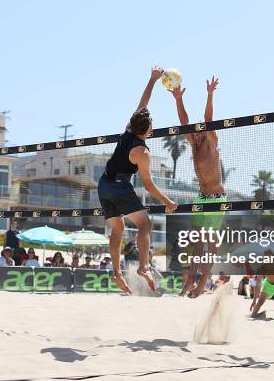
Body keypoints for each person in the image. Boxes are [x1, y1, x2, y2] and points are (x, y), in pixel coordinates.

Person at [97, 65, 177, 293]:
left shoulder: (128, 129)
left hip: (103, 184)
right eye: (152, 123)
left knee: (118, 230)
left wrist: (152, 80)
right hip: (119, 186)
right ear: (149, 129)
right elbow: (149, 185)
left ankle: (116, 273)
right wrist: (168, 202)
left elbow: (143, 104)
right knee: (145, 224)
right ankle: (143, 266)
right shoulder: (142, 152)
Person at [170, 76, 226, 299]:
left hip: (215, 197)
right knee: (195, 242)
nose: (198, 132)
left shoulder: (211, 142)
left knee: (210, 244)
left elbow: (208, 118)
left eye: (201, 130)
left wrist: (210, 94)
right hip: (201, 197)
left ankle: (203, 281)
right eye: (196, 131)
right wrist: (177, 99)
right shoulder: (193, 143)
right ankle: (189, 282)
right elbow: (184, 122)